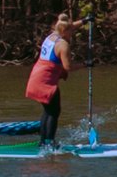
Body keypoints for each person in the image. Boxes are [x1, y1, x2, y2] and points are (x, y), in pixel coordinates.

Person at [26, 16, 81, 146]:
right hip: (45, 82)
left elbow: (69, 25)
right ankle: (49, 143)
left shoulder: (51, 36)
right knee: (54, 111)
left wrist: (85, 21)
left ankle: (43, 142)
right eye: (71, 32)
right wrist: (86, 64)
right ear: (64, 31)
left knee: (48, 110)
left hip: (36, 77)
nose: (72, 34)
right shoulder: (63, 45)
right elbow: (68, 67)